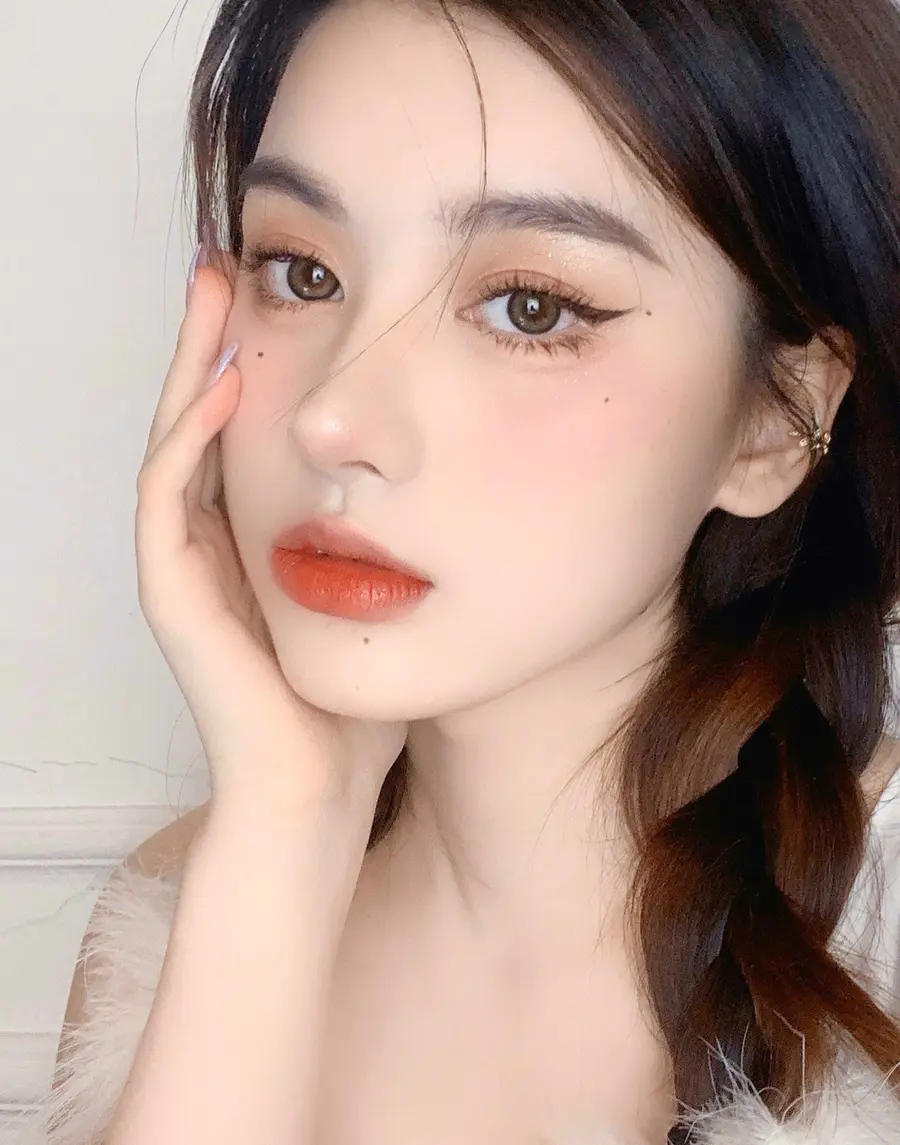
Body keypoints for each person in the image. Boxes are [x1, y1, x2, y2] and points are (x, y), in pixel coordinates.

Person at [19, 0, 900, 1142]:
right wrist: (287, 835)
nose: (331, 418)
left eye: (529, 308)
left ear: (775, 420)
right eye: (302, 271)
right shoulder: (188, 914)